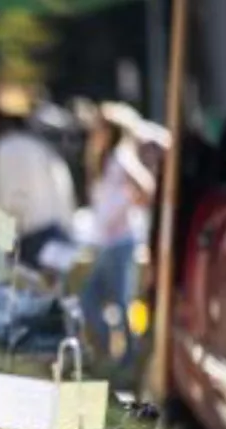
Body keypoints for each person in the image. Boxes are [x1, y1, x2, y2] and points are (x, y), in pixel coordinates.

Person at [79, 103, 155, 366]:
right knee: (90, 299)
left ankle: (129, 360)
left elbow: (146, 187)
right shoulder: (102, 160)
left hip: (122, 240)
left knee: (122, 303)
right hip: (106, 243)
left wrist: (127, 205)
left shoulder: (121, 157)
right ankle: (112, 354)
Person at [0, 98, 77, 269]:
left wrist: (2, 249)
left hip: (34, 239)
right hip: (59, 232)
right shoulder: (36, 145)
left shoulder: (5, 150)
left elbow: (10, 204)